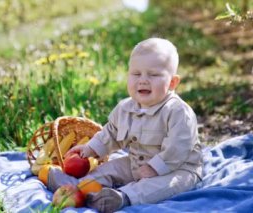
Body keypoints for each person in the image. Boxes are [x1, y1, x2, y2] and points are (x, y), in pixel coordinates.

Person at [47, 37, 203, 213]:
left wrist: (155, 167)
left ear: (173, 83)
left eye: (153, 75)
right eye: (136, 74)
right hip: (136, 161)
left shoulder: (177, 111)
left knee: (159, 186)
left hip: (178, 169)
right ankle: (73, 186)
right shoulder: (125, 108)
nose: (143, 80)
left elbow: (178, 148)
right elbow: (111, 133)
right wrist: (90, 149)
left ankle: (122, 197)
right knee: (108, 169)